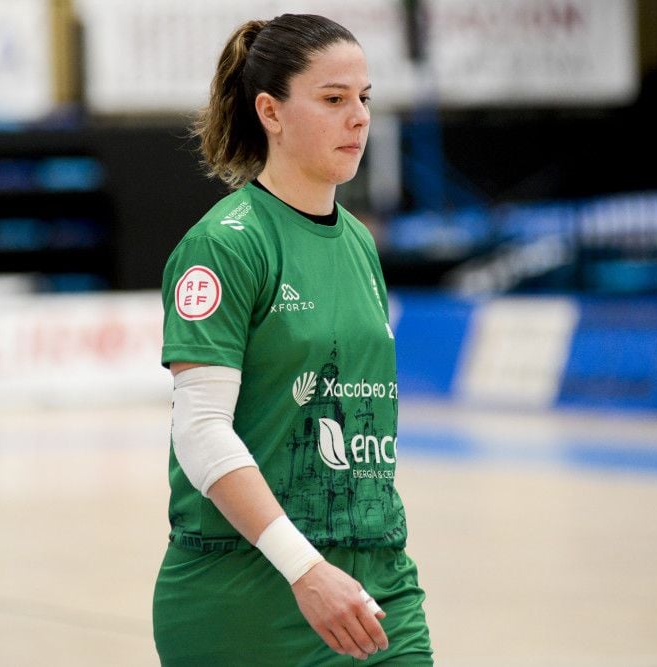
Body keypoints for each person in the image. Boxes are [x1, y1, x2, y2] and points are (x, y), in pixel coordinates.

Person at [153, 13, 433, 666]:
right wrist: (305, 568)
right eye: (333, 99)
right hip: (247, 590)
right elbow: (200, 430)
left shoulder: (360, 241)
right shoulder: (226, 244)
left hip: (376, 575)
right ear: (270, 112)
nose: (358, 117)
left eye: (364, 99)